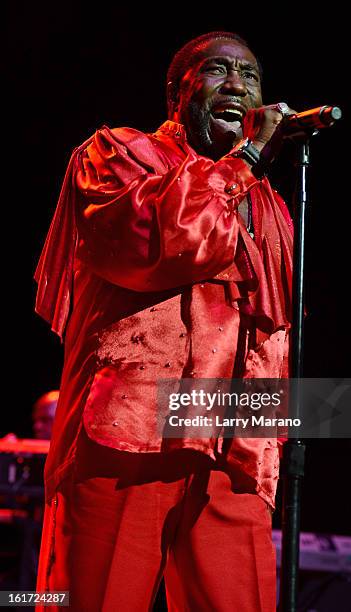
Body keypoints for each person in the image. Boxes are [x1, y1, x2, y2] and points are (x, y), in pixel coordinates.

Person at [34, 31, 293, 611]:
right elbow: (156, 240)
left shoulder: (267, 199)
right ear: (179, 92)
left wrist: (272, 433)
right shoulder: (117, 153)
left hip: (233, 445)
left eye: (250, 76)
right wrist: (243, 163)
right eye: (218, 71)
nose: (238, 86)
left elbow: (273, 334)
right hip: (130, 432)